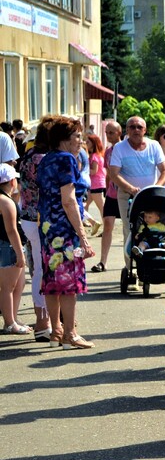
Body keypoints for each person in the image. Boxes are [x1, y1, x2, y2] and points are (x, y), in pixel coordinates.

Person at [36, 116, 96, 349]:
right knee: (69, 282)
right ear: (64, 140)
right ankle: (70, 333)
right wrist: (82, 235)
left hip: (48, 228)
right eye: (77, 136)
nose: (81, 141)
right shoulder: (66, 160)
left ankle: (56, 332)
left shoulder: (46, 160)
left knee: (51, 279)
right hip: (64, 228)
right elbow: (69, 201)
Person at [107, 116, 165, 288]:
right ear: (127, 131)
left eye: (139, 127)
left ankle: (155, 266)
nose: (136, 130)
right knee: (130, 230)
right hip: (128, 195)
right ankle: (132, 269)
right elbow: (114, 173)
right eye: (132, 127)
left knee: (161, 229)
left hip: (152, 196)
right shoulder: (120, 148)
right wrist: (131, 189)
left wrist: (156, 187)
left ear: (145, 130)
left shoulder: (154, 146)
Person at [17, 116, 56, 341]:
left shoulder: (28, 155)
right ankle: (44, 322)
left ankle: (45, 320)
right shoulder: (44, 159)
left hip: (30, 218)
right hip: (42, 220)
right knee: (44, 270)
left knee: (38, 269)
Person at [0, 163, 30, 334]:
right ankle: (10, 322)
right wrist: (20, 253)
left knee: (19, 284)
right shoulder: (6, 202)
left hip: (7, 245)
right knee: (8, 287)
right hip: (9, 246)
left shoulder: (6, 199)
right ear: (12, 181)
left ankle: (13, 317)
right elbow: (11, 231)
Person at [91, 120, 122, 273]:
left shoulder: (125, 149)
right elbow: (108, 173)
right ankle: (103, 261)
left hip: (125, 194)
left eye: (112, 132)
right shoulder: (108, 152)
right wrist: (107, 189)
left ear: (119, 133)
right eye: (107, 133)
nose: (109, 135)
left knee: (129, 228)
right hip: (111, 194)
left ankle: (129, 264)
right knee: (108, 225)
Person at [84, 134, 106, 237]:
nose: (85, 144)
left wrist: (82, 170)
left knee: (102, 208)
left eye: (88, 142)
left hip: (96, 185)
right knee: (84, 205)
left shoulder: (94, 156)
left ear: (93, 144)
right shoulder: (96, 155)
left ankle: (106, 228)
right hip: (94, 185)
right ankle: (89, 222)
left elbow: (94, 171)